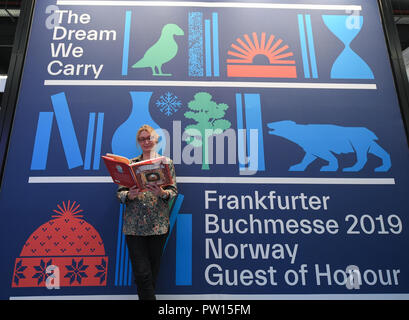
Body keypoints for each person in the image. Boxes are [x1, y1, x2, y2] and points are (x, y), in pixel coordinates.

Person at [116, 124, 178, 300]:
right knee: (142, 274)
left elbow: (173, 191)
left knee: (151, 274)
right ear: (138, 142)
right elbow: (119, 194)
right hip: (133, 227)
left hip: (158, 226)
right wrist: (130, 194)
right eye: (142, 139)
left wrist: (162, 193)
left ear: (155, 140)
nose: (146, 141)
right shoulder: (130, 165)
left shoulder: (166, 163)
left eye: (149, 138)